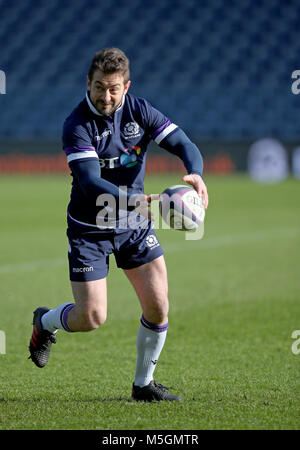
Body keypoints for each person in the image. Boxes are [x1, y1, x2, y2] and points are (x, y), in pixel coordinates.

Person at [28, 48, 208, 402]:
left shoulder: (140, 110)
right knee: (91, 317)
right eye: (98, 87)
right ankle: (44, 323)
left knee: (158, 306)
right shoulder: (77, 123)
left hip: (133, 225)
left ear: (126, 86)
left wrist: (197, 173)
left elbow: (182, 143)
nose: (105, 96)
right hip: (89, 229)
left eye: (112, 89)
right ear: (88, 83)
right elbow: (90, 181)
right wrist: (139, 201)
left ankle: (144, 385)